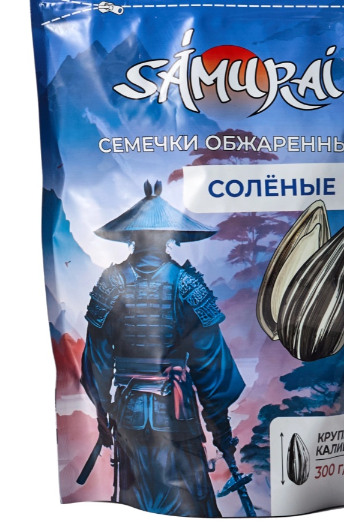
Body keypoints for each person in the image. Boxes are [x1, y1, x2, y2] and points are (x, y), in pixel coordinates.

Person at [81, 180, 246, 517]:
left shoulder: (110, 284)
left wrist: (103, 413)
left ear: (131, 235)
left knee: (135, 499)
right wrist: (221, 431)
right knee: (189, 500)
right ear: (170, 235)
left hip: (127, 413)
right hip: (176, 414)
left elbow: (96, 362)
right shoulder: (187, 285)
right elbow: (211, 368)